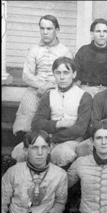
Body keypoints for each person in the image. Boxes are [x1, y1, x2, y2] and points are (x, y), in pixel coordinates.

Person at [11, 57, 93, 170]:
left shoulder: (84, 96)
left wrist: (51, 137)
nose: (62, 77)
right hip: (47, 138)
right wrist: (59, 124)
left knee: (61, 153)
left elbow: (80, 129)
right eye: (58, 73)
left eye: (66, 72)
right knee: (20, 150)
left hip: (72, 140)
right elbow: (36, 124)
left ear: (74, 74)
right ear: (53, 74)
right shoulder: (48, 95)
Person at [2, 130, 67, 213]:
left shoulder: (60, 175)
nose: (39, 152)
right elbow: (2, 204)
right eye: (34, 148)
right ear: (26, 150)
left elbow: (60, 202)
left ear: (49, 149)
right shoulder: (13, 172)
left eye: (44, 147)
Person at [12, 14, 73, 143]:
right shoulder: (34, 50)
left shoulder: (65, 51)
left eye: (49, 29)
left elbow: (68, 76)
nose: (45, 32)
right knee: (27, 109)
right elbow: (26, 75)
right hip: (36, 89)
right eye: (42, 28)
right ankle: (23, 143)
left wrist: (49, 85)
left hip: (58, 89)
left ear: (57, 30)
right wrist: (42, 85)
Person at [74, 18, 107, 97]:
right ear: (92, 33)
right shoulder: (83, 51)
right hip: (86, 89)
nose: (102, 35)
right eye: (98, 31)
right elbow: (75, 75)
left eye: (105, 31)